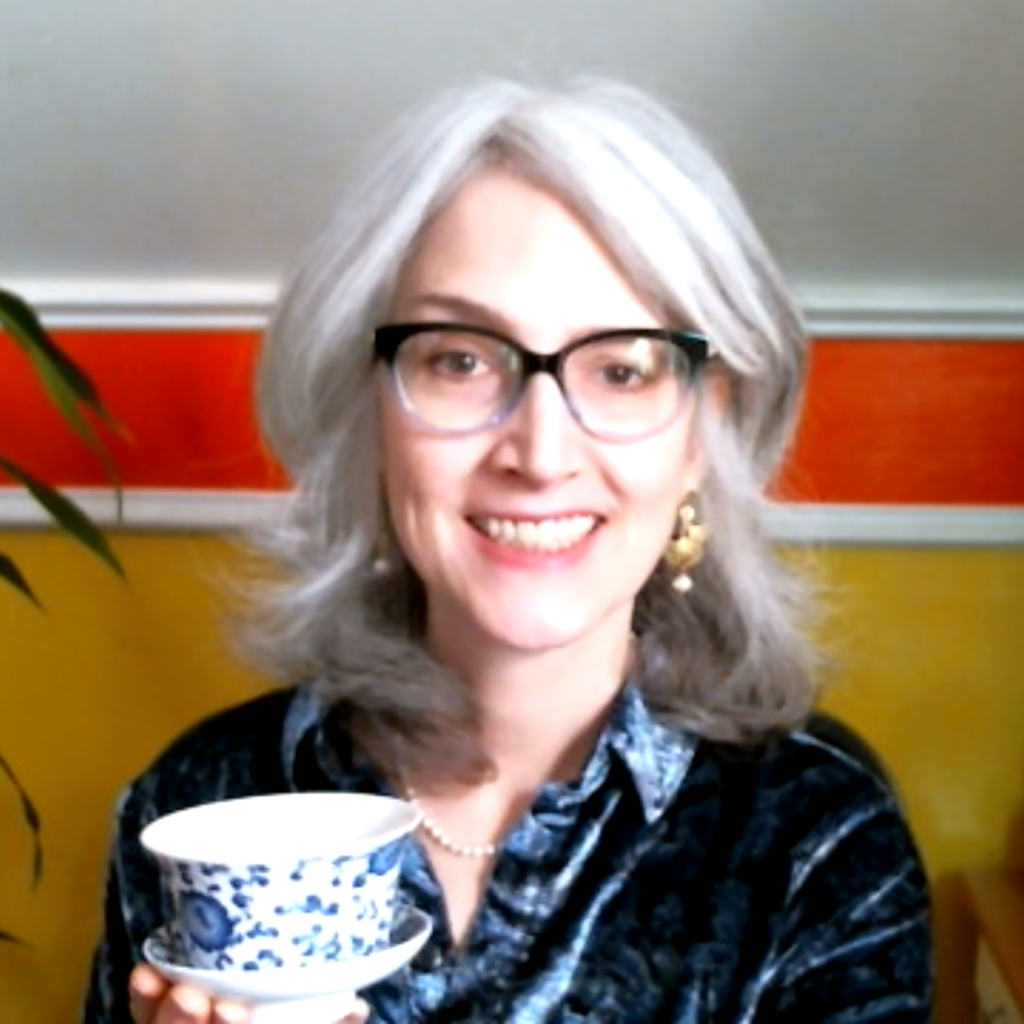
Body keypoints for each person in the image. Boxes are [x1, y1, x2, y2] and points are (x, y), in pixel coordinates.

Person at [83, 76, 933, 1023]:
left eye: (621, 369)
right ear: (371, 412)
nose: (538, 453)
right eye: (460, 359)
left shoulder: (817, 836)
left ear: (703, 432)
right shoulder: (199, 803)